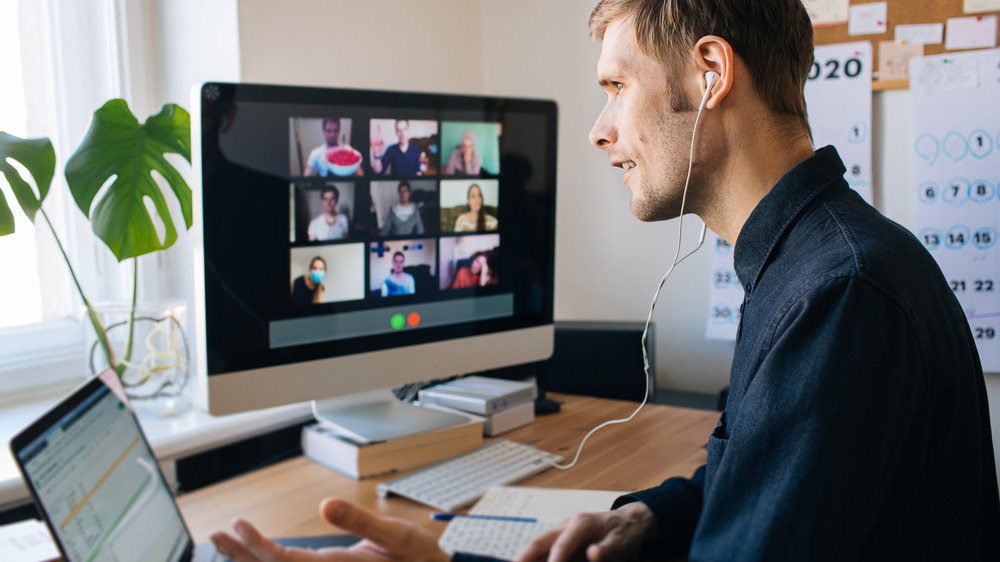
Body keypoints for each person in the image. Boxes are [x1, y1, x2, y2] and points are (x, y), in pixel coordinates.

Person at [213, 1, 1000, 561]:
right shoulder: (815, 262)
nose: (599, 129)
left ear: (711, 72)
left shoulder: (837, 295)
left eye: (617, 87)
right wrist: (645, 521)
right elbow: (744, 479)